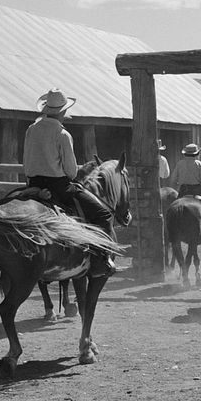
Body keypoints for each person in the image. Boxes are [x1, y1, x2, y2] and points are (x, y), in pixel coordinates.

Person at [23, 88, 118, 273]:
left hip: (33, 185)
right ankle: (103, 260)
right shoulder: (63, 134)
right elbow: (72, 172)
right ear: (63, 111)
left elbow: (26, 162)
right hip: (59, 187)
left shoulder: (31, 129)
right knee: (104, 214)